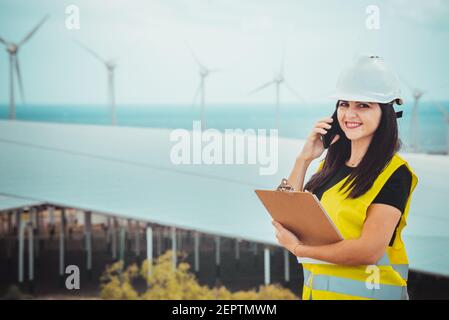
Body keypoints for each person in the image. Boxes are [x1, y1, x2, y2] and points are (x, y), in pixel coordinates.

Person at [272, 55, 418, 300]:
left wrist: (298, 249)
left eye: (363, 105)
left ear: (386, 112)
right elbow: (287, 216)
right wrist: (303, 159)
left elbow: (368, 250)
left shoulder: (394, 174)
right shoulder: (329, 169)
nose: (350, 114)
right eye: (344, 104)